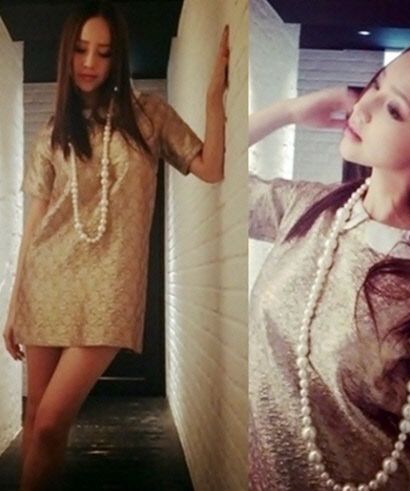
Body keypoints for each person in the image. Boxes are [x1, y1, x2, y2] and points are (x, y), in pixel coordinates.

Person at [2, 1, 228, 489]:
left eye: (103, 53)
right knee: (37, 416)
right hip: (47, 281)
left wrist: (215, 98)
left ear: (117, 58)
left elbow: (211, 167)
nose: (90, 63)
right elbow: (35, 224)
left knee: (51, 422)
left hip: (110, 288)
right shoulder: (50, 134)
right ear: (66, 52)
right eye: (81, 50)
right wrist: (15, 304)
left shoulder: (149, 115)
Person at [248, 40, 410, 491]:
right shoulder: (309, 207)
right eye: (375, 85)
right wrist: (290, 111)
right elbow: (212, 174)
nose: (363, 107)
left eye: (394, 109)